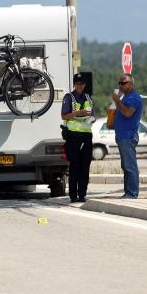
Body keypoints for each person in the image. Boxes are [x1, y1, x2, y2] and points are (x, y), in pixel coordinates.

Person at [61, 73, 94, 203]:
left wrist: (91, 118)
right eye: (78, 83)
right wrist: (78, 113)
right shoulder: (69, 97)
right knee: (74, 166)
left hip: (86, 135)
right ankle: (73, 195)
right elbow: (64, 116)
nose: (80, 86)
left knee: (85, 166)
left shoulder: (88, 97)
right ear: (74, 84)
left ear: (85, 85)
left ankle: (82, 194)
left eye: (82, 84)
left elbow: (93, 114)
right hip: (73, 136)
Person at [112, 73, 143, 199]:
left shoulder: (133, 98)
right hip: (122, 135)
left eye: (123, 83)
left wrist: (117, 100)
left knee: (130, 166)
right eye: (119, 83)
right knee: (126, 165)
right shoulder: (126, 97)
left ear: (130, 84)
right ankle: (128, 192)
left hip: (128, 136)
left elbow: (128, 113)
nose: (120, 85)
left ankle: (132, 193)